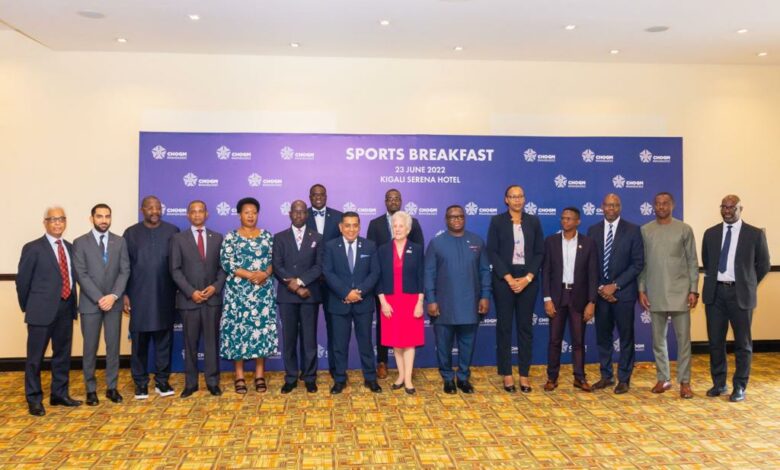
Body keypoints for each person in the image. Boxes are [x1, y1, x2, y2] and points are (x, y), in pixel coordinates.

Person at [701, 194, 770, 402]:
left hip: (740, 295)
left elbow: (764, 265)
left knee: (743, 344)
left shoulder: (754, 234)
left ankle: (739, 386)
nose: (727, 211)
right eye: (724, 207)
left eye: (732, 207)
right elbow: (707, 261)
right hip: (715, 294)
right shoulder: (710, 233)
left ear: (741, 209)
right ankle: (719, 383)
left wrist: (747, 283)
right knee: (715, 342)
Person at [16, 207, 82, 416]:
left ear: (65, 222)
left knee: (62, 355)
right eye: (53, 219)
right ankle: (34, 399)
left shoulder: (70, 247)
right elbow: (22, 282)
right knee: (35, 359)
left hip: (66, 308)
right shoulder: (33, 248)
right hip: (40, 311)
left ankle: (59, 394)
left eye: (61, 219)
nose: (58, 223)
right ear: (45, 222)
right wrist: (29, 307)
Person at [638, 192, 699, 399]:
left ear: (672, 205)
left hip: (681, 293)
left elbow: (692, 261)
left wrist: (693, 290)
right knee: (658, 340)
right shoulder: (646, 230)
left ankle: (685, 382)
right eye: (657, 204)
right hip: (655, 292)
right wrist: (641, 289)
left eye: (665, 203)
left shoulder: (684, 229)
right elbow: (643, 264)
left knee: (683, 341)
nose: (661, 207)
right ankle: (663, 378)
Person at [425, 205, 491, 394]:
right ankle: (447, 378)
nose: (457, 220)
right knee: (443, 345)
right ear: (446, 219)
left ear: (465, 218)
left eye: (460, 216)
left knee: (467, 344)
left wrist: (485, 296)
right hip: (443, 305)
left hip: (470, 303)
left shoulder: (477, 241)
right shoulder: (436, 243)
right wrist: (431, 299)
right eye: (453, 217)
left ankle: (463, 377)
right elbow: (429, 273)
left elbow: (485, 271)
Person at [486, 185, 544, 393]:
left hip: (528, 281)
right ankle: (507, 374)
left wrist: (528, 278)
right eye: (513, 196)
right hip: (504, 281)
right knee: (504, 327)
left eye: (520, 196)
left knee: (525, 328)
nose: (517, 200)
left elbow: (539, 252)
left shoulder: (534, 221)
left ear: (524, 199)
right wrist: (509, 278)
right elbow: (492, 251)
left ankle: (524, 374)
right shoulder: (497, 221)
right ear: (506, 200)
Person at [586, 194, 644, 394]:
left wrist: (615, 286)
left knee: (626, 337)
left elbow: (637, 264)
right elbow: (590, 263)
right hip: (600, 295)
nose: (611, 208)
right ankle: (606, 376)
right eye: (608, 205)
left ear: (620, 207)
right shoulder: (593, 230)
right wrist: (601, 289)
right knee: (603, 337)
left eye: (615, 205)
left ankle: (624, 379)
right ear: (602, 207)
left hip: (624, 294)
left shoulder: (633, 230)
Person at [220, 197, 279, 394]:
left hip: (262, 293)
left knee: (260, 332)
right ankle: (239, 375)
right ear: (239, 215)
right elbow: (227, 262)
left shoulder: (267, 236)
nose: (250, 216)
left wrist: (265, 273)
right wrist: (249, 275)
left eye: (254, 212)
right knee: (238, 332)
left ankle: (259, 374)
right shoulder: (231, 237)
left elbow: (275, 260)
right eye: (246, 212)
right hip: (238, 294)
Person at [73, 203, 130, 405]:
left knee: (113, 347)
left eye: (107, 216)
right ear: (92, 219)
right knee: (90, 348)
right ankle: (90, 389)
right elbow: (81, 274)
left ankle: (111, 388)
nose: (104, 220)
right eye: (99, 216)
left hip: (113, 304)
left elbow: (124, 271)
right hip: (90, 304)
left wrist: (113, 296)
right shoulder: (80, 242)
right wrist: (100, 298)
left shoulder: (120, 241)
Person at [123, 195, 180, 400]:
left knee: (164, 341)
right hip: (138, 296)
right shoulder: (130, 233)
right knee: (139, 342)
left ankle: (162, 381)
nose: (155, 211)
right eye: (150, 208)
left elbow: (178, 265)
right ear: (142, 210)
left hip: (165, 295)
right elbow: (124, 266)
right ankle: (140, 383)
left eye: (158, 207)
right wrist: (125, 294)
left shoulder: (172, 231)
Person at [170, 200, 227, 398]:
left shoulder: (217, 238)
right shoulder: (178, 239)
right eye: (193, 212)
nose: (196, 214)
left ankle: (212, 382)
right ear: (188, 215)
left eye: (200, 211)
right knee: (190, 344)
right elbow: (175, 270)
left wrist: (215, 287)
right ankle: (191, 383)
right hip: (189, 301)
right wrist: (190, 292)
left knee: (211, 343)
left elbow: (223, 268)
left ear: (206, 214)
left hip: (212, 300)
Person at [367, 189, 425, 379]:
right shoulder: (375, 224)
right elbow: (372, 256)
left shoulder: (413, 223)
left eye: (397, 198)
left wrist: (419, 300)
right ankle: (383, 362)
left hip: (409, 290)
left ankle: (407, 370)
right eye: (390, 199)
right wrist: (382, 297)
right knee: (386, 328)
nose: (393, 201)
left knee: (408, 334)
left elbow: (419, 258)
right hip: (386, 289)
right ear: (385, 201)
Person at [322, 212, 381, 394]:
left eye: (355, 225)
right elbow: (328, 272)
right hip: (339, 302)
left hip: (363, 303)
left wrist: (359, 291)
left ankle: (370, 378)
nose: (351, 229)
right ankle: (340, 379)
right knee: (339, 345)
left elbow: (375, 272)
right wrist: (346, 292)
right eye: (347, 225)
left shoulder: (369, 245)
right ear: (341, 227)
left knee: (366, 343)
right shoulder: (331, 246)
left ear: (359, 227)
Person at [542, 207, 598, 392]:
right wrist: (547, 298)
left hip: (579, 297)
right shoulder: (551, 242)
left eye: (569, 218)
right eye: (563, 218)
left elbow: (593, 275)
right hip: (557, 296)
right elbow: (546, 272)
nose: (565, 221)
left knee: (578, 341)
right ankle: (552, 378)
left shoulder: (588, 243)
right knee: (554, 340)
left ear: (578, 221)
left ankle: (579, 378)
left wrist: (592, 301)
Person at [272, 200, 323, 394]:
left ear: (307, 215)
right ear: (290, 214)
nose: (299, 215)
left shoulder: (317, 237)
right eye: (295, 212)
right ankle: (291, 377)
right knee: (289, 339)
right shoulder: (280, 237)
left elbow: (319, 266)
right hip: (287, 296)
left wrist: (301, 282)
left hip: (309, 295)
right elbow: (277, 266)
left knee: (309, 339)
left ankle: (309, 377)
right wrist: (294, 286)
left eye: (302, 212)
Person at [306, 183, 343, 378]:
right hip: (309, 282)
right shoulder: (301, 215)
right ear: (310, 197)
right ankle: (308, 371)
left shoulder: (338, 217)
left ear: (326, 196)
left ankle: (336, 369)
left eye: (321, 194)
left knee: (335, 327)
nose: (318, 197)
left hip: (332, 282)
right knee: (307, 329)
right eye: (314, 194)